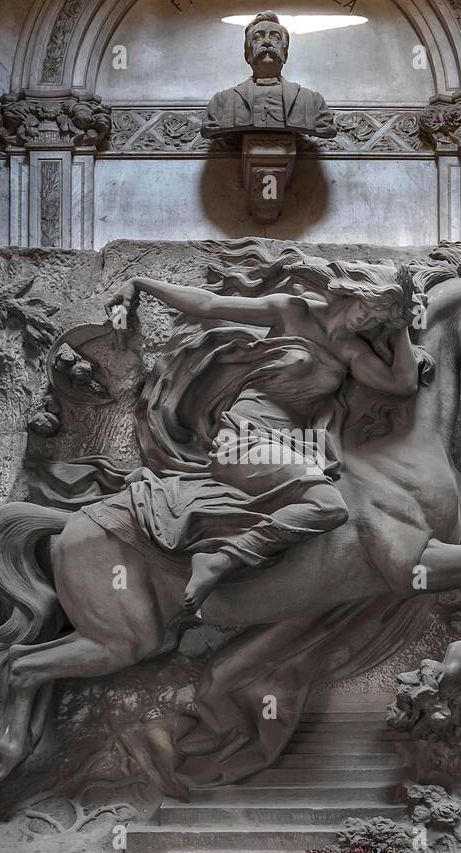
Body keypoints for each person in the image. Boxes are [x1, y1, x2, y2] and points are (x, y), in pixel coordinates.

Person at [106, 254, 433, 613]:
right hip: (244, 439)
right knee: (328, 506)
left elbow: (402, 384)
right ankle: (218, 561)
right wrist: (140, 283)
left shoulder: (351, 350)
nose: (366, 320)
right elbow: (208, 303)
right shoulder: (292, 311)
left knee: (330, 506)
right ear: (354, 291)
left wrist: (400, 320)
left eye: (377, 319)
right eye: (368, 308)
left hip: (293, 448)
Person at [200, 10, 336, 140]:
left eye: (275, 37)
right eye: (257, 38)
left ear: (285, 54)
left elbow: (327, 128)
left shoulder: (311, 101)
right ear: (247, 55)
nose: (266, 42)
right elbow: (210, 128)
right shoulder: (222, 102)